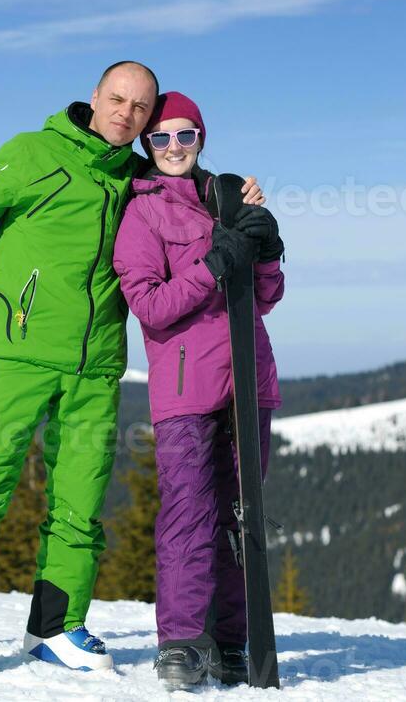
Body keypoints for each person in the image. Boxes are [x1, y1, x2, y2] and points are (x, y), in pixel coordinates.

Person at [0, 65, 265, 677]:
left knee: (80, 503)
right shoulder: (32, 153)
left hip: (96, 367)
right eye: (117, 99)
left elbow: (190, 193)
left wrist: (239, 200)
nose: (126, 113)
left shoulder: (137, 179)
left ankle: (57, 627)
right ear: (94, 98)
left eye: (140, 108)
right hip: (18, 351)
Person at [113, 91, 284, 690]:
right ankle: (182, 641)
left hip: (250, 378)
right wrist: (212, 265)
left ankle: (233, 640)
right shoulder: (142, 214)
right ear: (146, 145)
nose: (175, 147)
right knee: (190, 514)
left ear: (201, 139)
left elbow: (264, 299)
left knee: (244, 516)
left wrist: (267, 251)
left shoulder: (231, 197)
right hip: (186, 388)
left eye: (186, 135)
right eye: (161, 138)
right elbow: (151, 306)